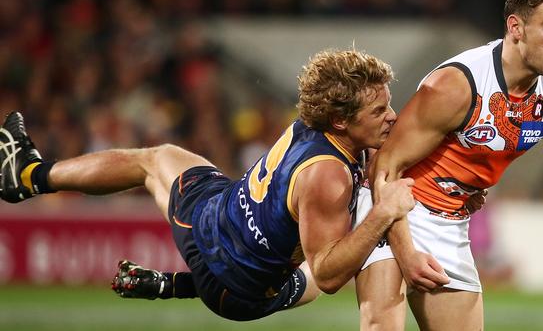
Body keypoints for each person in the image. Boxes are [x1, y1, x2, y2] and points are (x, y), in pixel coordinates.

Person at [0, 49, 417, 321]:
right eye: (380, 109)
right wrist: (384, 212)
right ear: (341, 120)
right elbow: (328, 277)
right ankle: (23, 175)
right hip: (233, 279)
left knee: (155, 159)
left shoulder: (317, 122)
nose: (392, 116)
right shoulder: (328, 176)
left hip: (219, 224)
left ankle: (29, 175)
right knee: (315, 272)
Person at [354, 0, 543, 331]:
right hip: (393, 211)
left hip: (450, 222)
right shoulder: (458, 85)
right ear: (516, 28)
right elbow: (385, 168)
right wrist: (405, 251)